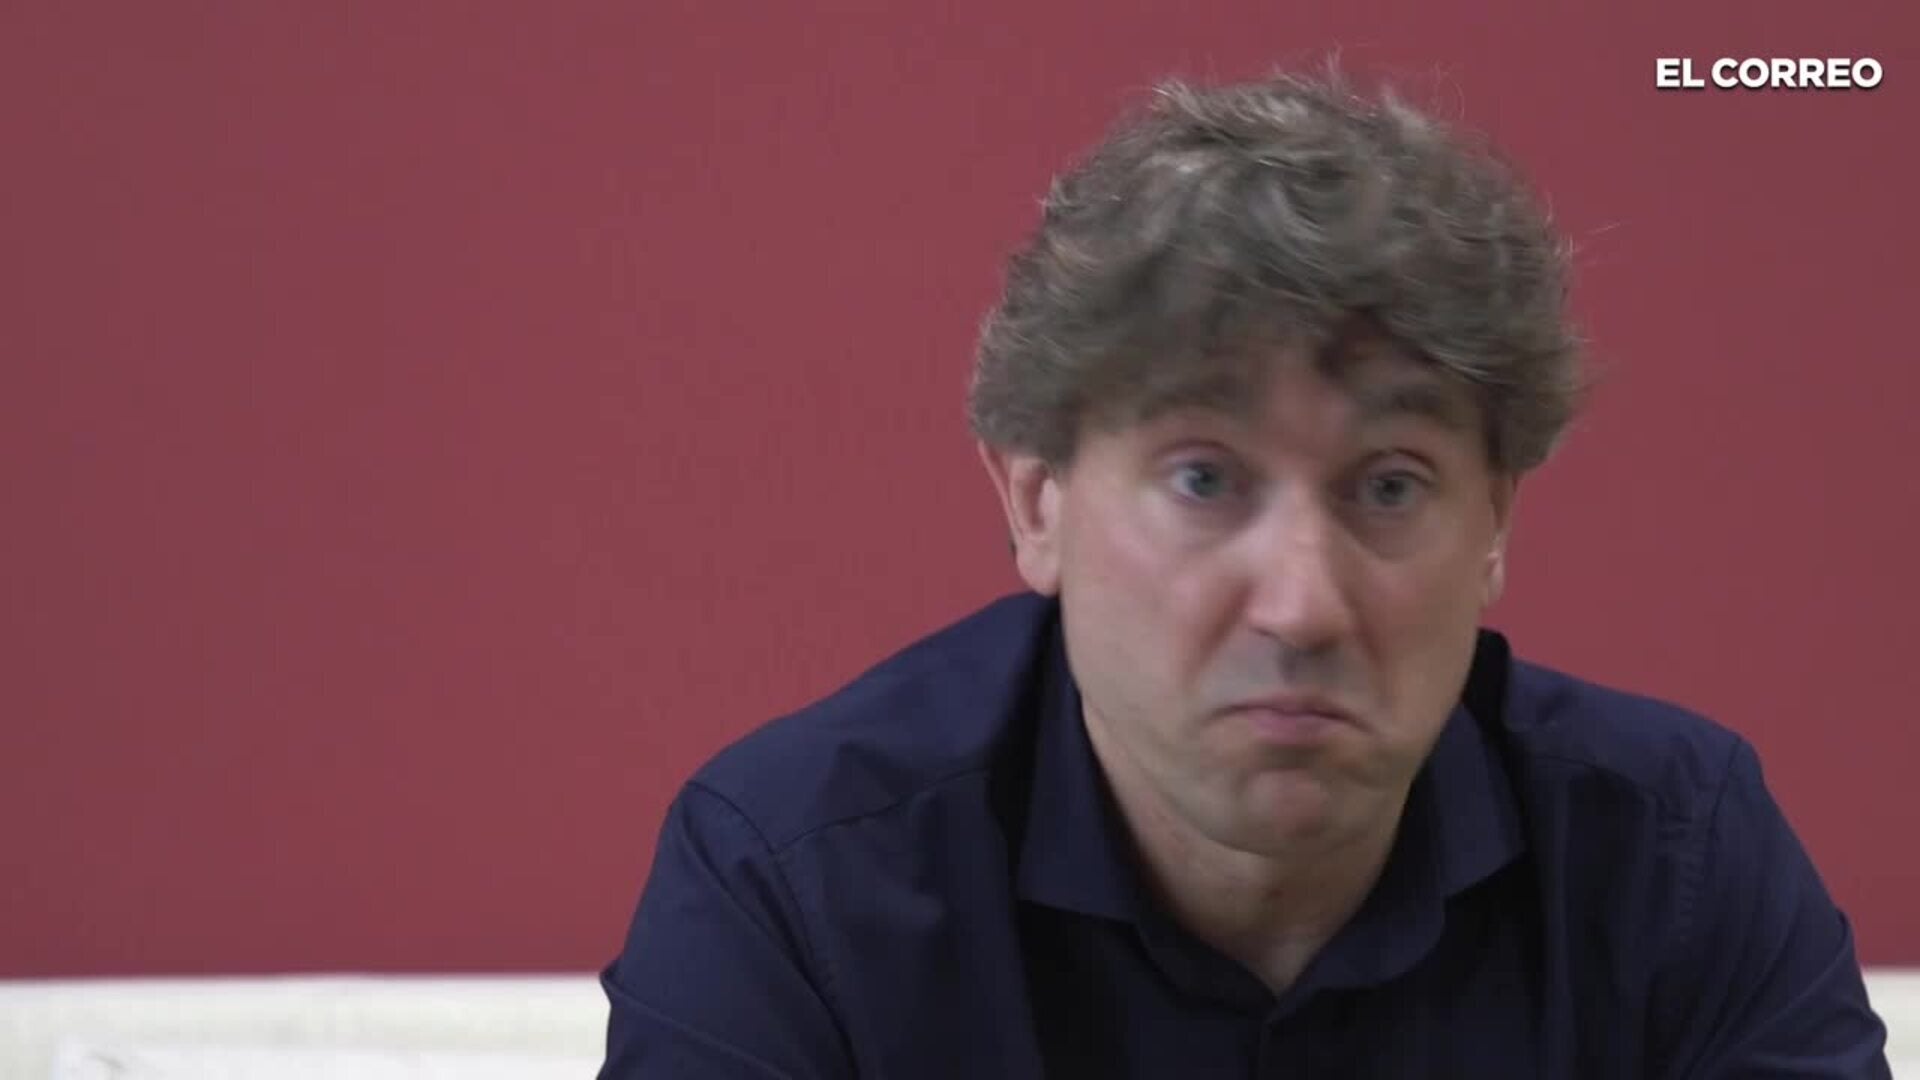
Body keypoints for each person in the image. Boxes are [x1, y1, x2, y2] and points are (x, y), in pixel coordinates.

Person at [597, 70, 1890, 1077]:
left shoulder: (1673, 861)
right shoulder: (797, 884)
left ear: (1495, 521)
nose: (1303, 606)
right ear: (1038, 503)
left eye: (1390, 486)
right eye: (1204, 481)